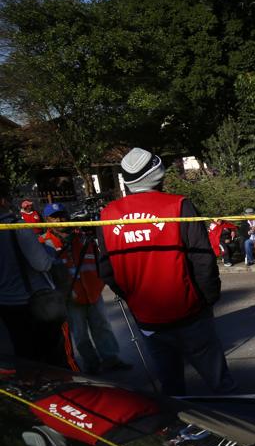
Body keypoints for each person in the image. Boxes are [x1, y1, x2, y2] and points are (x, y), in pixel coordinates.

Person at [97, 147, 235, 395]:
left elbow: (106, 270)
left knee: (171, 389)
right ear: (157, 174)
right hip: (191, 313)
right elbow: (202, 259)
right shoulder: (179, 205)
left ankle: (176, 431)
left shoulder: (107, 215)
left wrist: (134, 297)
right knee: (220, 385)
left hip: (148, 318)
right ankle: (240, 431)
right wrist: (208, 299)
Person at [0, 192, 76, 368]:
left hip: (5, 305)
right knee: (53, 358)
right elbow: (42, 264)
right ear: (4, 200)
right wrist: (48, 251)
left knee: (26, 359)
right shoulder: (17, 226)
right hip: (33, 302)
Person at [58, 221, 133, 374]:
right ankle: (91, 364)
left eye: (61, 216)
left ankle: (111, 359)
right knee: (80, 334)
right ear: (47, 221)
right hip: (71, 298)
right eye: (53, 217)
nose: (59, 220)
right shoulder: (45, 242)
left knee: (103, 327)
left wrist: (100, 285)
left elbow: (99, 261)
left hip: (93, 293)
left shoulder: (85, 238)